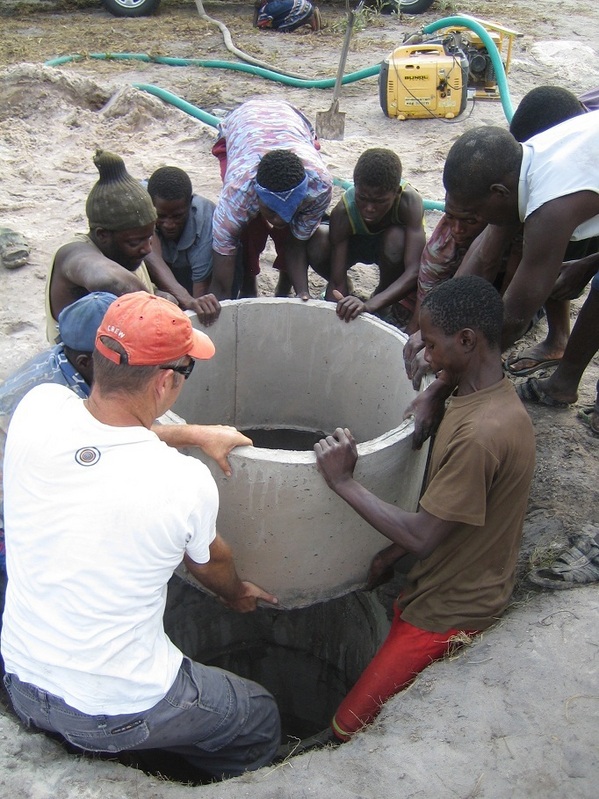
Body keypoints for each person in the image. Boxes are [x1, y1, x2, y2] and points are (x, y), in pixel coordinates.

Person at [1, 292, 280, 780]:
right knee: (257, 714)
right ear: (166, 380)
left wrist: (192, 432)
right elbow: (214, 566)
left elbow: (103, 436)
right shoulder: (182, 483)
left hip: (21, 679)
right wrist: (237, 595)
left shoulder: (38, 408)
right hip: (113, 707)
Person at [314, 276, 536, 740]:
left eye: (431, 346)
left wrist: (343, 480)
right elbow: (458, 516)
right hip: (448, 577)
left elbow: (422, 536)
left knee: (346, 727)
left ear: (468, 340)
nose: (424, 356)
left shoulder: (481, 436)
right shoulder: (481, 393)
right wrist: (437, 389)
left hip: (450, 610)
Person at [406, 111, 599, 447]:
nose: (468, 225)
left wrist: (441, 387)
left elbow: (511, 319)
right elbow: (483, 256)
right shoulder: (517, 170)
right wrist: (432, 327)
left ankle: (565, 383)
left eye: (473, 215)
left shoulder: (550, 207)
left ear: (498, 193)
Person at [46, 150, 219, 342]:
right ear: (103, 234)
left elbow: (146, 279)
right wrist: (160, 309)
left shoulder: (129, 252)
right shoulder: (74, 253)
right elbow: (112, 281)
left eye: (150, 238)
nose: (147, 250)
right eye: (135, 242)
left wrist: (178, 299)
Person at [209, 98, 332, 301]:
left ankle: (285, 287)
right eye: (272, 212)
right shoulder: (237, 194)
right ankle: (248, 287)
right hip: (244, 124)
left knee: (290, 231)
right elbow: (221, 279)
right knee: (248, 230)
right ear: (257, 196)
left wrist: (302, 292)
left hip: (291, 120)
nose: (281, 220)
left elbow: (297, 241)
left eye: (292, 209)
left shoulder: (320, 186)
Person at [325, 148, 425, 327]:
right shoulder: (343, 212)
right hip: (358, 247)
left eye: (379, 201)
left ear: (396, 193)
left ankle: (384, 298)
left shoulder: (409, 203)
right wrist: (336, 316)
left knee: (396, 239)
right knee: (318, 243)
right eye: (362, 198)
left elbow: (414, 270)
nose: (369, 208)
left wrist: (370, 305)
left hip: (391, 254)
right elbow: (336, 279)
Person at [145, 166, 216, 300]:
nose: (169, 224)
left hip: (190, 270)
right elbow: (150, 257)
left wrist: (194, 304)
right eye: (161, 216)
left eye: (177, 216)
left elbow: (200, 290)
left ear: (190, 204)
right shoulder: (140, 205)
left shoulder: (205, 222)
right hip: (165, 266)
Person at [253, 0, 321, 32]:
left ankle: (310, 19)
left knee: (282, 30)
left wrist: (256, 25)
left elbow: (260, 24)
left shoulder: (266, 9)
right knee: (280, 21)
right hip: (304, 4)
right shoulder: (275, 3)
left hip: (300, 9)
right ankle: (310, 17)